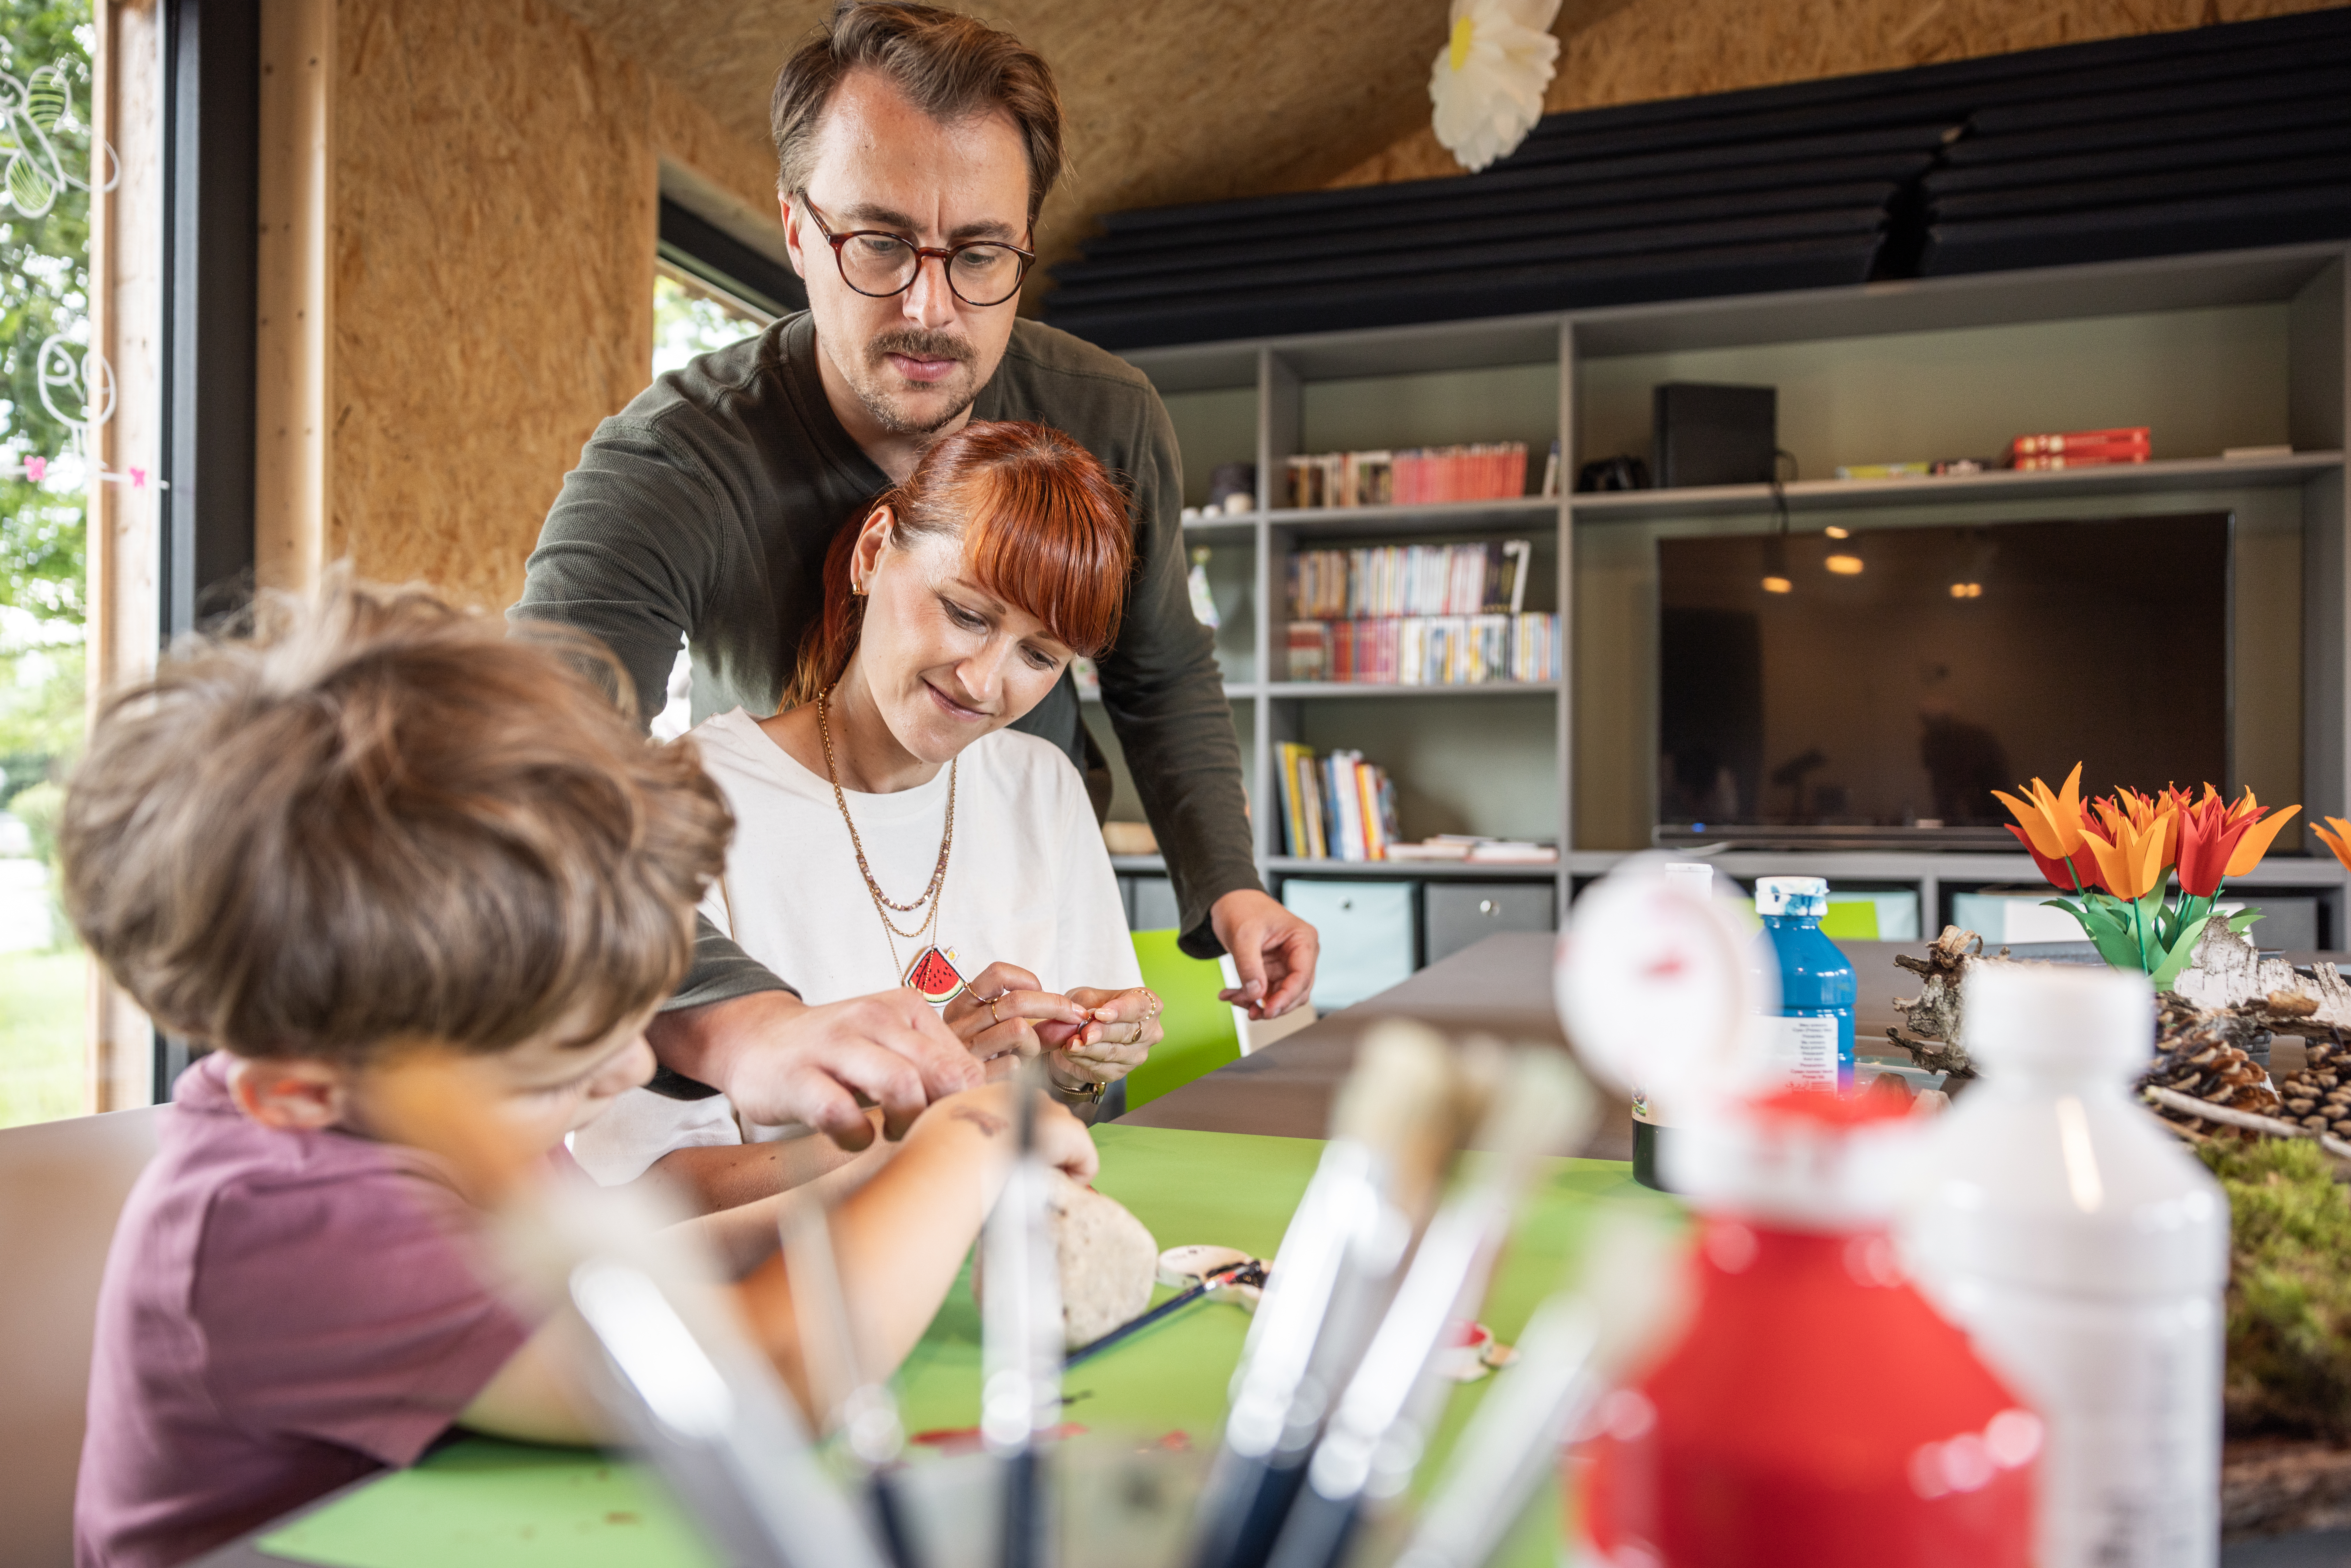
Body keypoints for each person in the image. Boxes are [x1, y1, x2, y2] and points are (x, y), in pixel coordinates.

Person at [62, 579, 1099, 1568]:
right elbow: (759, 1380)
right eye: (559, 1056)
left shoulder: (415, 1099)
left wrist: (874, 1177)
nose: (631, 1069)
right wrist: (971, 1142)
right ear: (300, 1089)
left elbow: (622, 1282)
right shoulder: (284, 1222)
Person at [515, 0, 1317, 1152]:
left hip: (1000, 900)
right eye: (879, 244)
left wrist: (1226, 883)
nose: (930, 307)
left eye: (979, 253)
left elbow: (1158, 667)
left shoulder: (1108, 417)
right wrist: (747, 1026)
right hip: (775, 916)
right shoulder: (669, 465)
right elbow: (539, 787)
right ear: (797, 232)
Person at [575, 420, 1165, 1197]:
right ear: (872, 553)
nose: (986, 684)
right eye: (967, 612)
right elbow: (650, 1191)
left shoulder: (1042, 787)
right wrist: (917, 1125)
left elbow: (1067, 1115)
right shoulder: (687, 803)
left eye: (1039, 656)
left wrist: (1077, 1070)